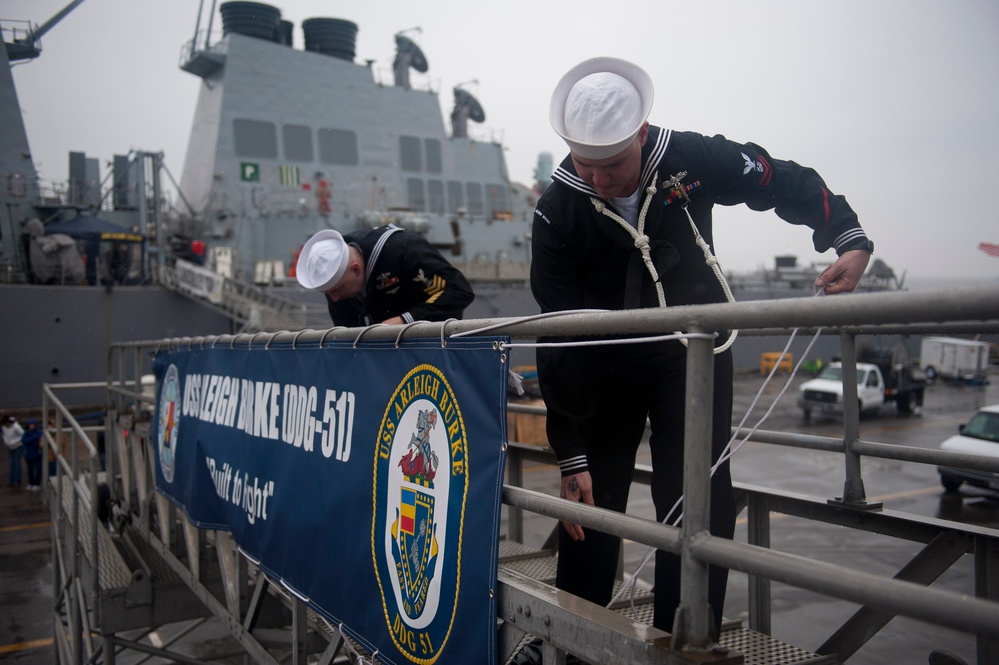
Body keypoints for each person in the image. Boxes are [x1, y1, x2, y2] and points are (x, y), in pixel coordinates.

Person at [529, 57, 873, 647]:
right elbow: (560, 332)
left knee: (698, 501)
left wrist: (846, 235)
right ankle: (572, 640)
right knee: (591, 498)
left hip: (691, 351)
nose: (600, 181)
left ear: (641, 134)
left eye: (611, 166)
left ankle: (686, 636)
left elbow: (776, 178)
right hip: (607, 357)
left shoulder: (692, 158)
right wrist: (570, 453)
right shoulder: (558, 207)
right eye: (586, 166)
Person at [295, 225, 475, 326]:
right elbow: (348, 336)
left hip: (435, 346)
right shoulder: (337, 281)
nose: (334, 298)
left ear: (356, 269)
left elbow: (458, 291)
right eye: (329, 293)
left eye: (337, 289)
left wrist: (405, 321)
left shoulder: (402, 250)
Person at [3, 416, 25, 487]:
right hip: (10, 447)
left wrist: (14, 442)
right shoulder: (4, 427)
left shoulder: (16, 427)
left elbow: (23, 435)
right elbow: (5, 436)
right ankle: (11, 480)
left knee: (16, 463)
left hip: (18, 447)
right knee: (12, 464)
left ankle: (17, 480)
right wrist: (7, 442)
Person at [21, 419, 43, 492]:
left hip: (37, 454)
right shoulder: (26, 433)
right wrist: (32, 439)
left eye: (32, 425)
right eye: (30, 425)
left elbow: (38, 442)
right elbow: (24, 440)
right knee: (30, 470)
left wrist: (30, 440)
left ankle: (37, 484)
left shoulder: (39, 432)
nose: (31, 426)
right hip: (28, 454)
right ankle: (30, 483)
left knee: (37, 470)